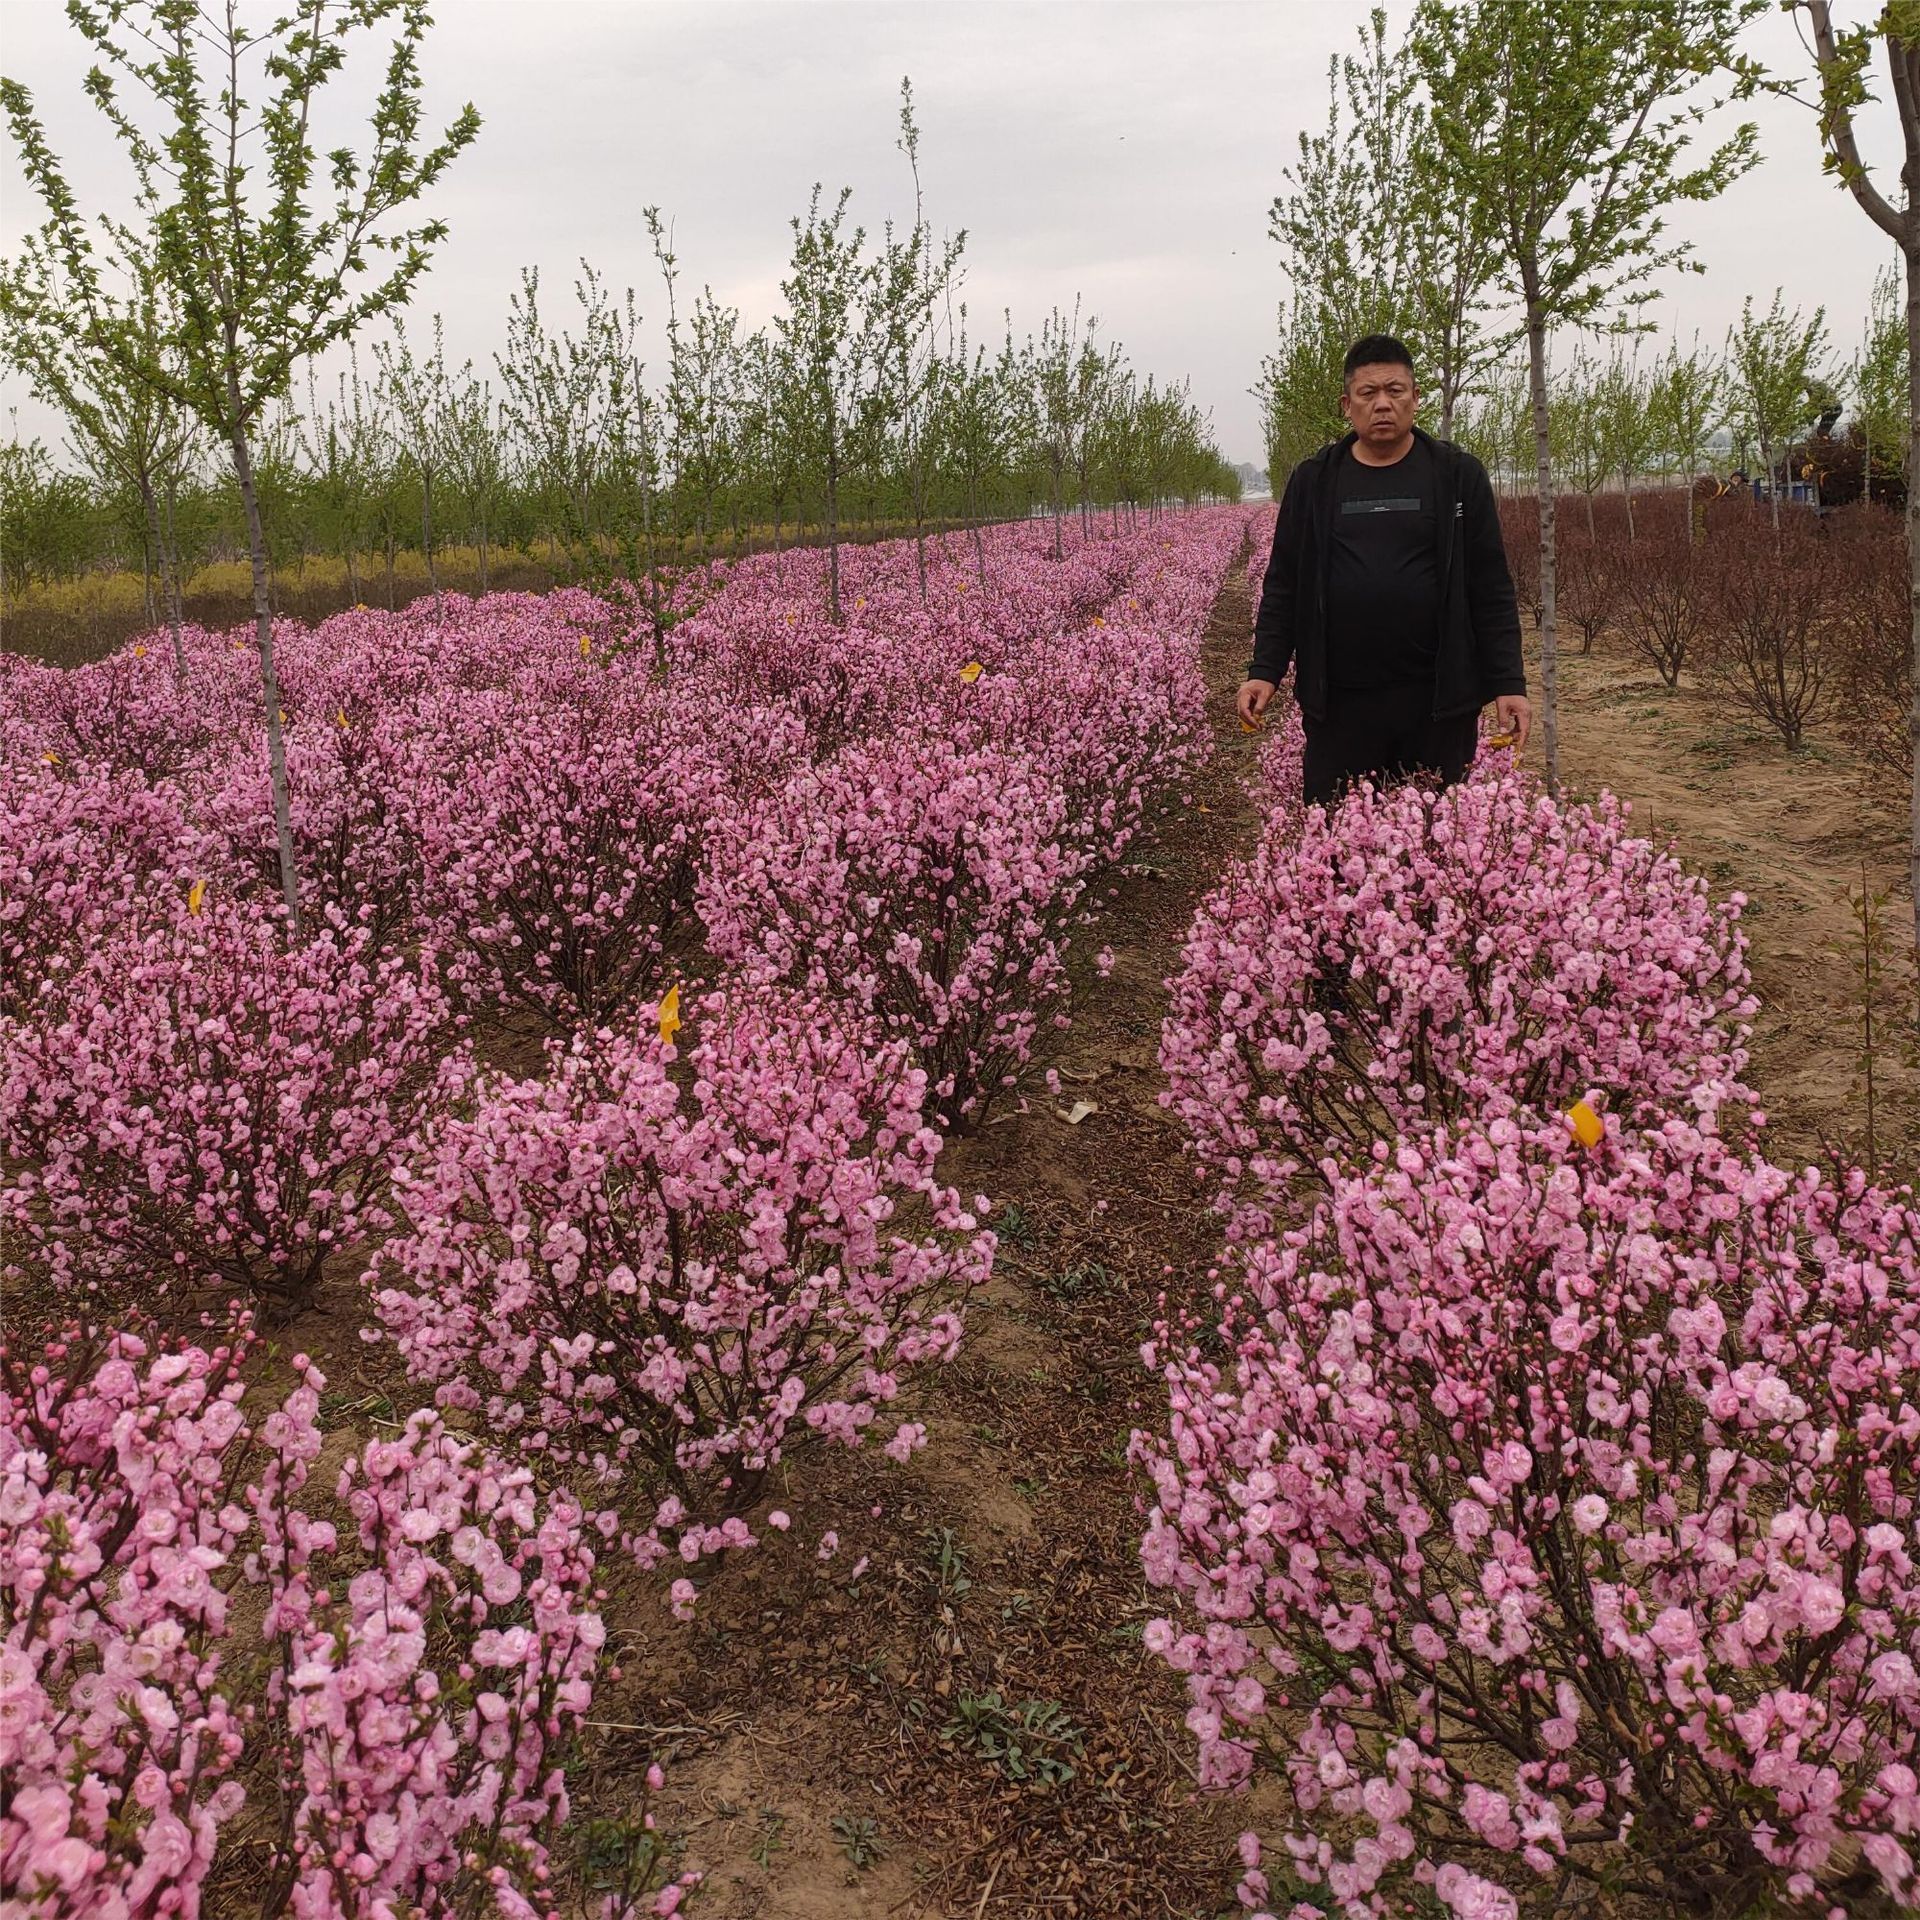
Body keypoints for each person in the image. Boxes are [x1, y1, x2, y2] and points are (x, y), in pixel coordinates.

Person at [1238, 334, 1530, 808]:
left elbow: (1490, 587)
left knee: (1438, 842)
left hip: (1439, 704)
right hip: (1339, 706)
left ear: (1416, 399)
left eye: (1395, 391)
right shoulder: (1314, 481)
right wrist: (1264, 670)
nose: (1382, 404)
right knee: (1336, 845)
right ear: (1346, 405)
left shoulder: (1457, 476)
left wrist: (1508, 683)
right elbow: (1284, 585)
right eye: (1368, 393)